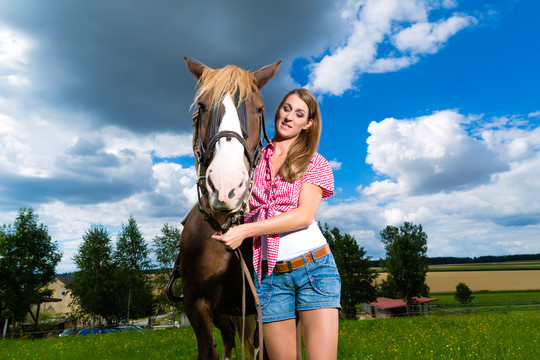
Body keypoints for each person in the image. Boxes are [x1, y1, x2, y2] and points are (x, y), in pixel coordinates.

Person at [212, 88, 341, 360]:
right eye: (286, 108)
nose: (289, 117)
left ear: (308, 124)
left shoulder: (313, 162)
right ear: (276, 110)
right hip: (271, 279)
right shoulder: (253, 162)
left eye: (299, 114)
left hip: (314, 270)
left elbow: (303, 216)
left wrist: (245, 231)